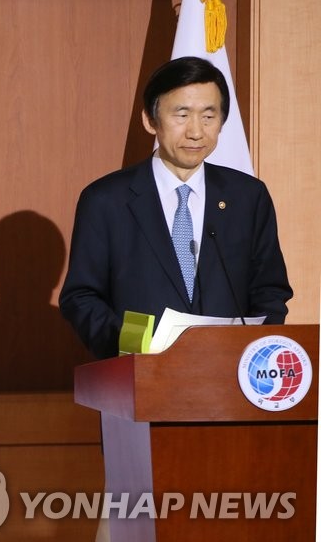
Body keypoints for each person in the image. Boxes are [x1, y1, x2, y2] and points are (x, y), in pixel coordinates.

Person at [59, 56, 292, 360]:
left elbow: (270, 290)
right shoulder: (106, 200)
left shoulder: (248, 196)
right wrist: (132, 349)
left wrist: (255, 354)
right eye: (182, 115)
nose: (196, 131)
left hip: (230, 372)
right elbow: (81, 296)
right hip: (139, 373)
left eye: (208, 116)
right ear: (150, 120)